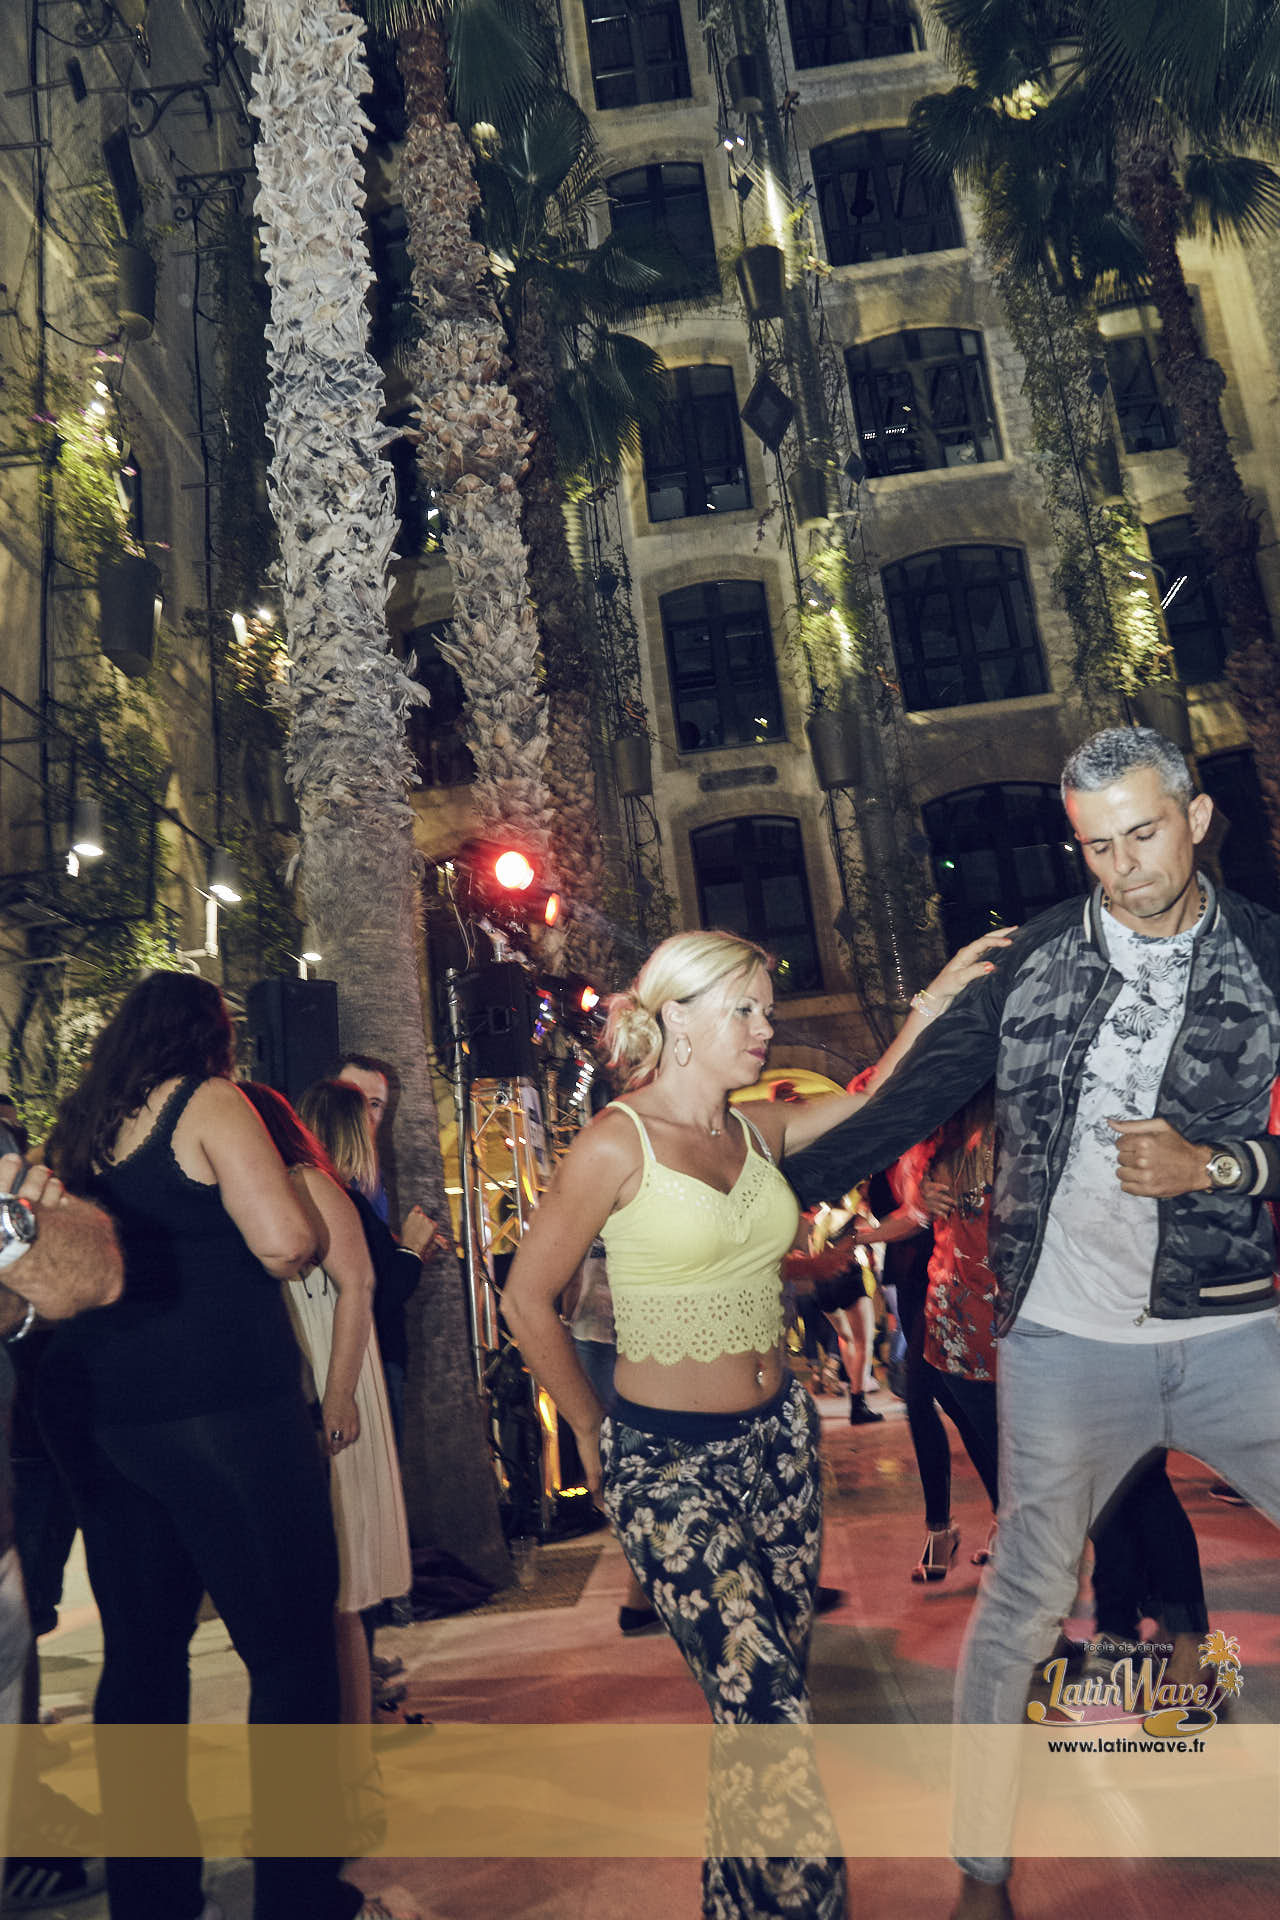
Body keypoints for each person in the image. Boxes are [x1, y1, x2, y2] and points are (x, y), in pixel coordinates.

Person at [784, 726, 1280, 1919]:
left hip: (1228, 1328)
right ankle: (981, 1875)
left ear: (1195, 818)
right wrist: (740, 1187)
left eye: (1141, 834)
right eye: (1094, 846)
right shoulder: (1032, 964)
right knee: (1018, 1606)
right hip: (1061, 1342)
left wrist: (1219, 1166)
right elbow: (898, 1112)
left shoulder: (1266, 956)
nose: (1121, 866)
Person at [501, 925, 1007, 1919]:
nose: (763, 1028)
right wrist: (596, 1433)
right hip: (666, 1463)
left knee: (767, 1702)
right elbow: (527, 1300)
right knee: (763, 1704)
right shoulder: (616, 1141)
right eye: (743, 1009)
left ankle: (735, 1903)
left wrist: (935, 999)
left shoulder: (754, 1132)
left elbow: (874, 1098)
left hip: (778, 1448)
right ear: (678, 1018)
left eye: (765, 1010)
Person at [39, 971, 382, 1920]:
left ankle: (152, 1898)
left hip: (105, 1415)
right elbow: (283, 1244)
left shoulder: (80, 1130)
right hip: (225, 1408)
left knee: (141, 1660)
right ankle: (297, 1896)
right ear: (210, 1037)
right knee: (290, 1654)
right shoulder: (211, 1101)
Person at [241, 1085, 411, 1725]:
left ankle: (355, 1749)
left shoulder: (306, 1181)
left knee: (341, 1586)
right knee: (322, 1590)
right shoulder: (257, 1191)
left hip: (334, 1367)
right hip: (302, 1377)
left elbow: (359, 1283)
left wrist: (338, 1394)